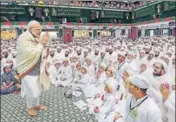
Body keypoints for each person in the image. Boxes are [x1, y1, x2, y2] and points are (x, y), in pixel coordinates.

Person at [16, 20, 50, 116]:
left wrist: (46, 43)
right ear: (31, 29)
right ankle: (30, 107)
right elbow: (31, 53)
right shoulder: (23, 38)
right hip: (27, 70)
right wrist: (42, 43)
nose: (40, 31)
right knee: (31, 91)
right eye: (38, 29)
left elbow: (43, 50)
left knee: (38, 89)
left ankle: (37, 105)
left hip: (38, 69)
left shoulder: (37, 37)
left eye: (40, 29)